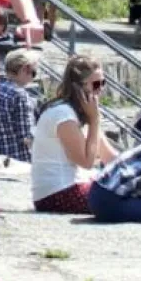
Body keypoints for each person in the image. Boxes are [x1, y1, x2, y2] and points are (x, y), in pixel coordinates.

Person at [30, 56, 118, 213]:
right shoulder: (63, 114)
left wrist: (136, 173)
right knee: (122, 200)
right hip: (57, 193)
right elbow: (87, 162)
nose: (101, 89)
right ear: (78, 87)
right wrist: (95, 121)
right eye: (96, 84)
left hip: (70, 187)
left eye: (103, 83)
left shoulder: (81, 114)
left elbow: (109, 156)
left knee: (130, 191)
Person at [0, 49, 40, 163]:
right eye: (33, 73)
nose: (33, 78)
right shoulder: (19, 94)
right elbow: (26, 137)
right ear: (24, 69)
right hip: (16, 159)